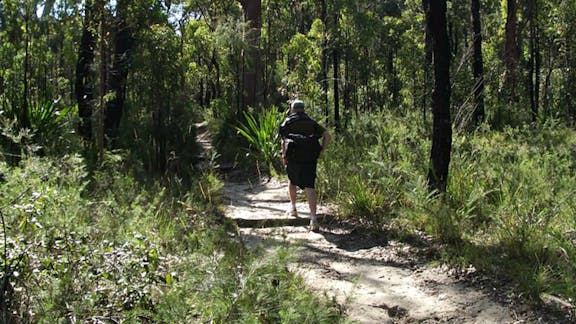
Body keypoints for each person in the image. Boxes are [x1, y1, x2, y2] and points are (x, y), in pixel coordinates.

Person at [279, 99, 331, 232]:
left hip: (293, 157)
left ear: (292, 109)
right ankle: (313, 219)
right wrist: (321, 151)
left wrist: (284, 156)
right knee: (310, 186)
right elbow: (327, 135)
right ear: (303, 109)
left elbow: (283, 140)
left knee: (292, 181)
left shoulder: (288, 121)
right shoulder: (311, 122)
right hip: (310, 158)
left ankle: (293, 208)